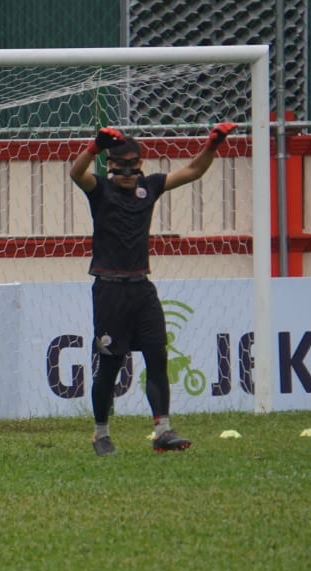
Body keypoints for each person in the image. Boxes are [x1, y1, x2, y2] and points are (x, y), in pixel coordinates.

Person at [69, 122, 236, 456]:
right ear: (111, 167)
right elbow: (76, 174)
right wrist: (94, 147)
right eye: (122, 166)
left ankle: (163, 431)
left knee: (157, 356)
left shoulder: (150, 187)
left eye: (134, 165)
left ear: (141, 164)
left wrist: (213, 144)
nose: (129, 172)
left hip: (142, 288)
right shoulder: (100, 189)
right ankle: (100, 434)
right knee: (111, 365)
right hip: (109, 290)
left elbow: (193, 170)